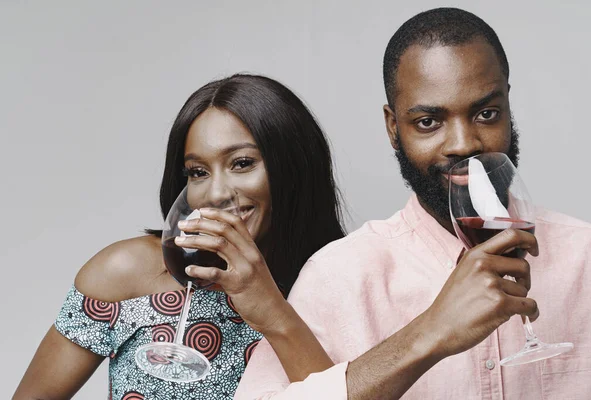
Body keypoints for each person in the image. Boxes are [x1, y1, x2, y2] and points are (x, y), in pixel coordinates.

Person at [235, 8, 591, 400]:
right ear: (394, 128)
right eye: (429, 121)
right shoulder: (337, 280)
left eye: (486, 113)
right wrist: (429, 333)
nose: (463, 143)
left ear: (509, 108)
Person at [13, 73, 344, 400]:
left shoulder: (340, 285)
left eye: (242, 163)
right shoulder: (126, 273)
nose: (215, 193)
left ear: (295, 167)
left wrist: (273, 312)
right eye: (198, 172)